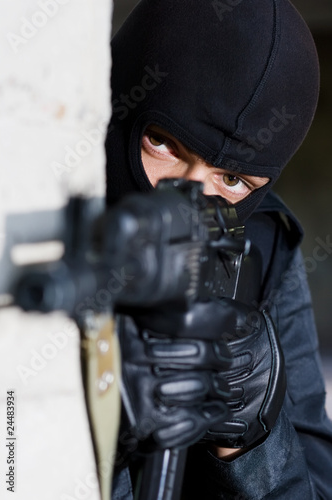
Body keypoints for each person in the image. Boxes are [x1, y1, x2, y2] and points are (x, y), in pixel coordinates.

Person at [106, 0, 332, 498]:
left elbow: (312, 485)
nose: (190, 198)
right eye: (164, 143)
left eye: (230, 179)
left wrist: (249, 438)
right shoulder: (31, 212)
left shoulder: (264, 246)